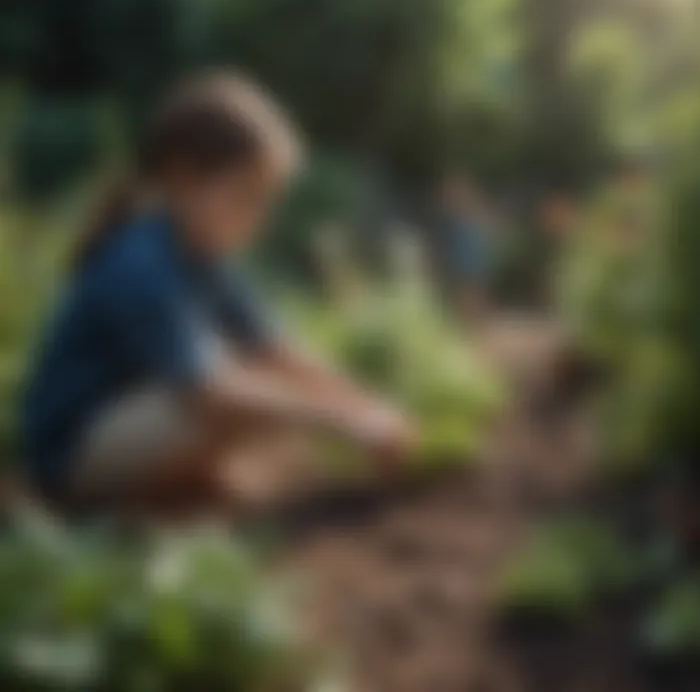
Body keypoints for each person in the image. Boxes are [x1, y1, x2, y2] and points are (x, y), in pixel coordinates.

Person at [20, 71, 416, 515]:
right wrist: (345, 420)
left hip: (129, 421)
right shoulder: (141, 260)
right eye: (248, 195)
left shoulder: (203, 255)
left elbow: (277, 350)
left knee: (265, 385)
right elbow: (211, 390)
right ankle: (119, 504)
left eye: (268, 200)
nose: (260, 217)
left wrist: (365, 403)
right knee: (247, 397)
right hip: (70, 453)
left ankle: (182, 486)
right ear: (185, 177)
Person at [438, 174, 494, 325]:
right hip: (463, 262)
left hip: (471, 262)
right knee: (466, 297)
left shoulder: (471, 212)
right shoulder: (454, 215)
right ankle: (470, 325)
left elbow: (485, 234)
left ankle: (473, 325)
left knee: (472, 296)